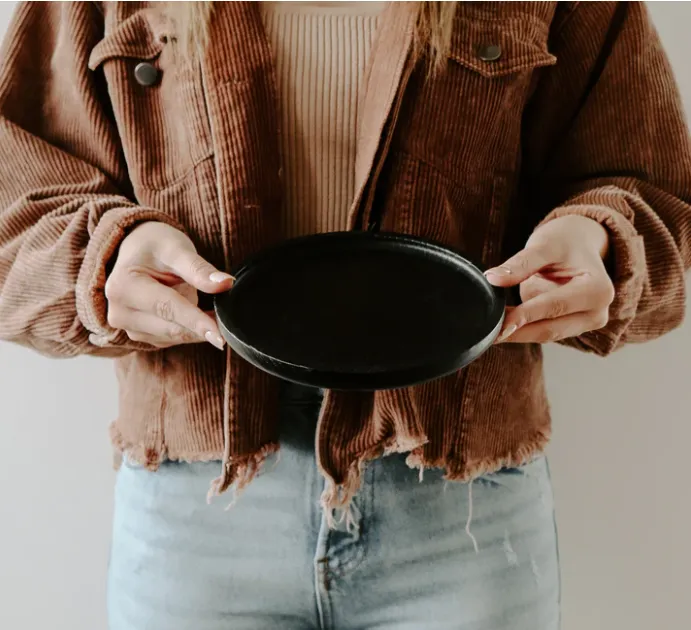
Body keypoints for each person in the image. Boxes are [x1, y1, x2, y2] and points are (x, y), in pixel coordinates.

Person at [0, 1, 689, 628]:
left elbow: (653, 189)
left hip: (461, 505)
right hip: (198, 502)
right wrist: (104, 257)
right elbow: (14, 206)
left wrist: (601, 238)